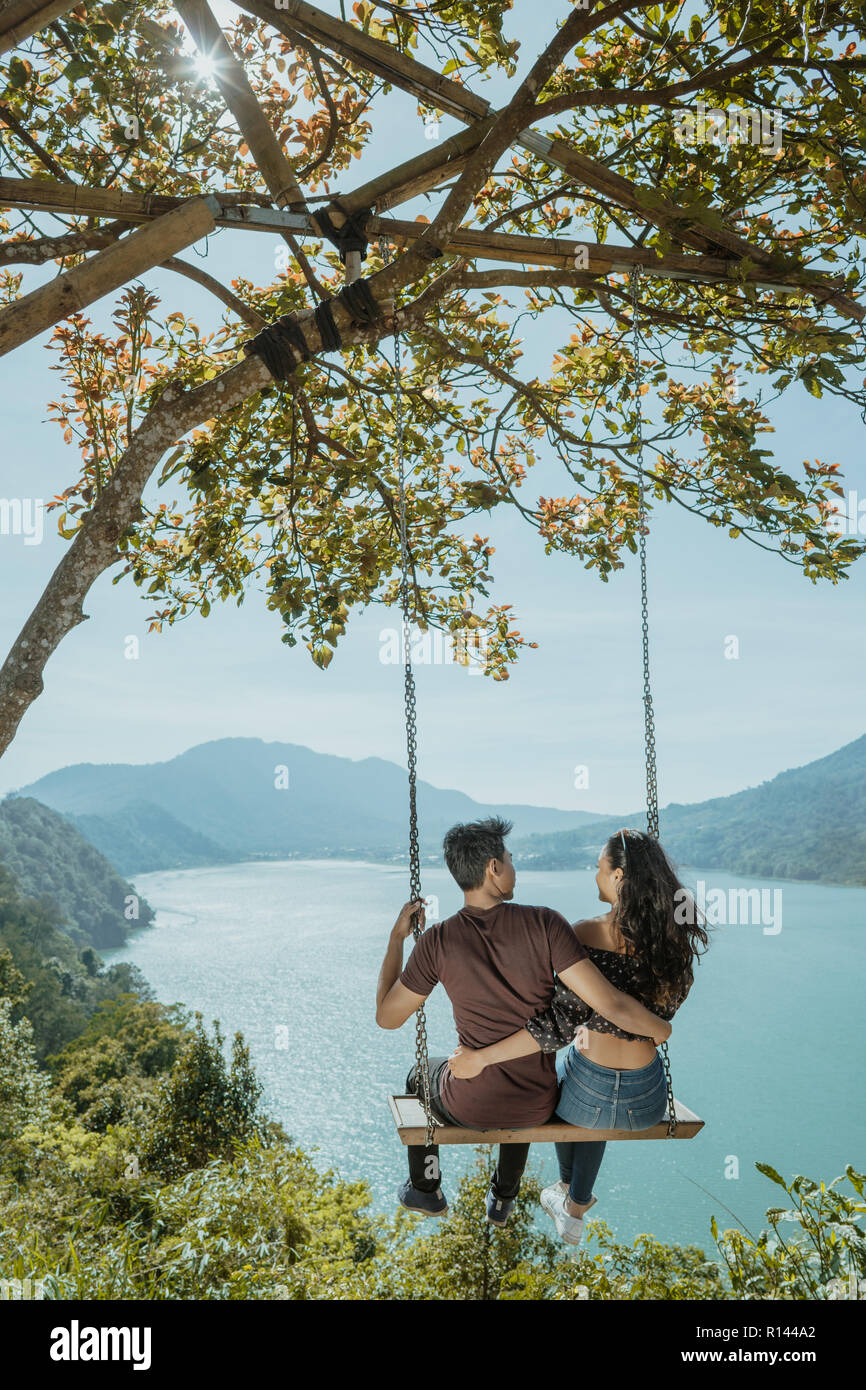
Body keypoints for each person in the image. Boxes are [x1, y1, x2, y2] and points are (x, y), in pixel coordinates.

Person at [375, 817, 673, 1227]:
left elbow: (387, 1018)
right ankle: (504, 1196)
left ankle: (426, 1189)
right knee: (524, 1083)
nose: (514, 867)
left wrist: (395, 941)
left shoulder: (437, 941)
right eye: (510, 859)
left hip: (469, 1103)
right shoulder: (546, 923)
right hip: (536, 1105)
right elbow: (607, 1003)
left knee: (418, 1076)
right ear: (494, 869)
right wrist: (661, 1028)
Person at [448, 828, 708, 1243]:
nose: (595, 877)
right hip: (648, 1098)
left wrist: (482, 1056)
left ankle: (567, 1195)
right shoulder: (673, 935)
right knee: (587, 1079)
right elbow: (662, 1012)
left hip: (589, 1098)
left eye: (599, 869)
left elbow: (558, 1024)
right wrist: (641, 1026)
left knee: (560, 1082)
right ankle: (573, 1202)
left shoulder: (584, 934)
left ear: (619, 876)